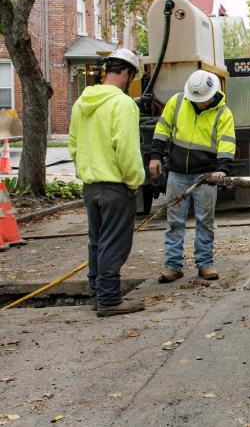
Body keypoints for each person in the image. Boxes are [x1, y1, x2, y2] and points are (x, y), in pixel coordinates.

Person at [69, 49, 146, 316]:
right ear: (126, 73)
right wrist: (134, 180)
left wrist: (86, 171)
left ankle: (97, 295)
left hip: (91, 186)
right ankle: (110, 300)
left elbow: (74, 145)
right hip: (116, 186)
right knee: (114, 243)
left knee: (97, 242)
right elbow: (126, 149)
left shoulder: (82, 102)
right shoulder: (123, 104)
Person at [148, 70, 235, 282]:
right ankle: (172, 265)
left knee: (205, 221)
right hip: (177, 173)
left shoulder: (223, 113)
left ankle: (205, 263)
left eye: (202, 100)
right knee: (174, 221)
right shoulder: (177, 102)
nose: (199, 103)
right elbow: (162, 130)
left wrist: (222, 169)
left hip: (206, 174)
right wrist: (155, 156)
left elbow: (226, 144)